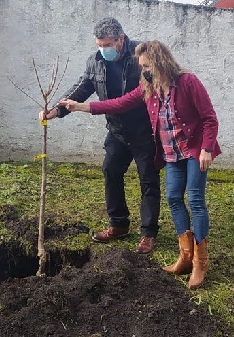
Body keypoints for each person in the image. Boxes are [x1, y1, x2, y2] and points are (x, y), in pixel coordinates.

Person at [60, 40, 221, 289]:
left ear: (159, 62)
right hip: (170, 154)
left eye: (146, 65)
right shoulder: (149, 88)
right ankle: (185, 257)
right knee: (173, 198)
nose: (143, 70)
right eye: (141, 66)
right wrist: (81, 106)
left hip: (194, 151)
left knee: (196, 200)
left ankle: (200, 262)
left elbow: (209, 118)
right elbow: (119, 103)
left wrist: (207, 149)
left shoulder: (187, 82)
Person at [38, 17, 161, 255]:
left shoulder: (142, 57)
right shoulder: (95, 62)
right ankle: (119, 224)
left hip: (145, 130)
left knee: (148, 179)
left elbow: (136, 98)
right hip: (117, 130)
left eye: (106, 44)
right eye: (99, 44)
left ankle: (148, 233)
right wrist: (55, 110)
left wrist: (89, 108)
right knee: (110, 171)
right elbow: (81, 88)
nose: (102, 49)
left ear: (120, 39)